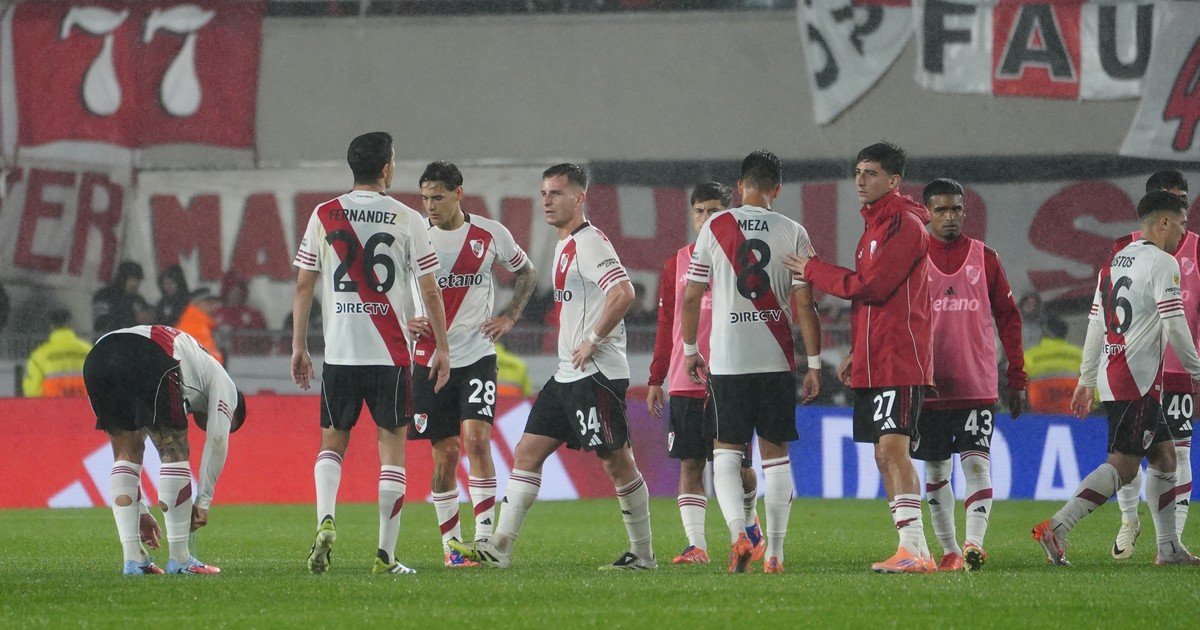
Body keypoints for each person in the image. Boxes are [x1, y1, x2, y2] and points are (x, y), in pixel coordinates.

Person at [450, 163, 654, 570]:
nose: (547, 200)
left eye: (556, 193)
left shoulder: (590, 242)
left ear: (579, 198)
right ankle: (500, 547)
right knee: (527, 450)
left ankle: (643, 554)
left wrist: (592, 340)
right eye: (543, 192)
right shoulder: (565, 244)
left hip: (596, 372)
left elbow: (624, 292)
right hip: (567, 375)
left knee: (616, 461)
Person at [291, 131, 450, 576]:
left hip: (340, 353)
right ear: (386, 168)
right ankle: (385, 555)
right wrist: (443, 347)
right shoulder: (407, 218)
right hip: (391, 354)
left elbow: (305, 284)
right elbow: (430, 289)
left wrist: (299, 346)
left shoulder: (324, 214)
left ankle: (326, 518)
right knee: (392, 449)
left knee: (332, 444)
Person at [785, 142, 935, 573]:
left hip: (900, 357)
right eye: (857, 172)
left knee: (892, 450)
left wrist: (813, 269)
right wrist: (857, 351)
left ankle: (911, 550)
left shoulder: (904, 224)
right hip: (878, 356)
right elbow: (876, 306)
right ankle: (916, 549)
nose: (860, 180)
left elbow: (872, 286)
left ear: (893, 180)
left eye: (870, 173)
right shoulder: (875, 227)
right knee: (883, 453)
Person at [1033, 191, 1200, 566]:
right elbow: (1176, 325)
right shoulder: (1163, 263)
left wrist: (1087, 378)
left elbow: (1095, 323)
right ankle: (1057, 527)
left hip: (1114, 373)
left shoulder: (1115, 262)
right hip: (1136, 380)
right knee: (1124, 464)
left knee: (1165, 457)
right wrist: (1198, 371)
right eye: (1182, 223)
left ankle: (1169, 548)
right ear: (1164, 222)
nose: (1184, 232)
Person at [682, 153, 822, 575]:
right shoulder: (794, 232)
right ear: (777, 189)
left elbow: (691, 296)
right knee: (776, 455)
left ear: (740, 186)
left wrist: (690, 349)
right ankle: (775, 555)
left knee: (725, 451)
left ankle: (738, 534)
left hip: (728, 359)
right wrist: (814, 364)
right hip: (775, 359)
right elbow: (805, 303)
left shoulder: (714, 228)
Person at [405, 161, 538, 568]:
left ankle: (484, 540)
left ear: (458, 193)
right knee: (444, 454)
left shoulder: (490, 234)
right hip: (428, 359)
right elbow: (384, 285)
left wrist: (511, 317)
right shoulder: (413, 236)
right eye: (425, 197)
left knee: (477, 441)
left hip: (477, 356)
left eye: (438, 197)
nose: (430, 205)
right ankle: (451, 548)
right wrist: (401, 319)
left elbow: (527, 274)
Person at [646, 181, 766, 566]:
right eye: (700, 211)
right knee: (691, 462)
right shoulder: (676, 263)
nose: (707, 218)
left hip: (732, 378)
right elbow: (667, 323)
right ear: (692, 216)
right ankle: (696, 545)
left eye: (715, 210)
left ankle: (749, 523)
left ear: (729, 214)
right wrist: (656, 377)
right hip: (685, 380)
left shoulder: (746, 263)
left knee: (738, 467)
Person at [913, 178, 1026, 572]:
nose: (950, 217)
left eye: (956, 209)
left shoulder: (985, 258)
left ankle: (974, 543)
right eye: (941, 210)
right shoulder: (912, 256)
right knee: (936, 469)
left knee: (977, 463)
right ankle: (949, 551)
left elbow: (1010, 320)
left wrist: (1017, 377)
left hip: (976, 385)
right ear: (926, 212)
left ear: (965, 211)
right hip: (927, 386)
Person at [83, 324, 247, 575]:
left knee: (126, 453)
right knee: (174, 451)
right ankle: (181, 560)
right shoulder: (225, 384)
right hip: (151, 353)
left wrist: (140, 511)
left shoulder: (197, 367)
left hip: (99, 355)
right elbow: (217, 441)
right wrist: (203, 502)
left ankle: (134, 561)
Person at [1108, 170, 1195, 560]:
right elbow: (1106, 309)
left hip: (1180, 369)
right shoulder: (1124, 248)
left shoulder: (1195, 247)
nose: (1177, 207)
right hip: (1133, 367)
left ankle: (1172, 538)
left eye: (1183, 199)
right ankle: (1129, 520)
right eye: (1169, 199)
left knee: (1178, 451)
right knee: (1129, 452)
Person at [23, 308, 92, 397]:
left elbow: (31, 390)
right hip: (84, 407)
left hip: (53, 408)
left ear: (51, 326)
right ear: (71, 324)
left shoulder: (39, 355)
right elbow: (102, 382)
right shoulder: (89, 350)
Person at [1024, 317, 1083, 415]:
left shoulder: (1029, 356)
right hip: (1072, 412)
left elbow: (1017, 387)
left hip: (1039, 412)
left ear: (1044, 333)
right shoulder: (1079, 354)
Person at [92, 261, 152, 336]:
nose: (135, 284)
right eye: (132, 280)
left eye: (138, 281)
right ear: (122, 278)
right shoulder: (104, 295)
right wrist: (133, 319)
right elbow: (101, 323)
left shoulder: (137, 299)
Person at [213, 273, 269, 354]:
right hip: (220, 359)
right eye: (232, 289)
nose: (236, 293)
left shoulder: (253, 315)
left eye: (239, 289)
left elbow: (265, 341)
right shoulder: (215, 314)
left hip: (249, 360)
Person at [176, 288, 224, 365]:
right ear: (196, 303)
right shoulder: (193, 326)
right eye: (208, 303)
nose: (213, 307)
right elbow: (206, 362)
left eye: (213, 303)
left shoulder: (202, 324)